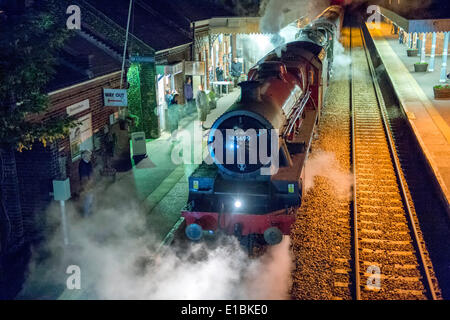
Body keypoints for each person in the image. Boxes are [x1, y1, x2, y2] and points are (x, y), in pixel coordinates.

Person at [78, 150, 94, 217]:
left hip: (90, 184)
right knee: (87, 200)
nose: (90, 157)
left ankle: (89, 213)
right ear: (85, 156)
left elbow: (91, 173)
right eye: (89, 155)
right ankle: (86, 215)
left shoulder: (88, 162)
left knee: (90, 199)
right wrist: (87, 187)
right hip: (86, 185)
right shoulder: (82, 165)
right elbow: (84, 178)